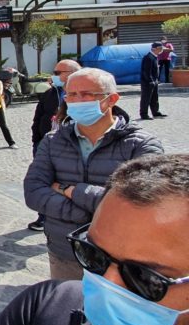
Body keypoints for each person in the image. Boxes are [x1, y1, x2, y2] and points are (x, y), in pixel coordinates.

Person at [0, 154, 189, 325]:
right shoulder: (46, 310)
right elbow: (35, 189)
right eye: (94, 255)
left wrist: (71, 191)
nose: (108, 284)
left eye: (144, 277)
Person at [24, 68, 163, 281]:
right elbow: (33, 191)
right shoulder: (54, 140)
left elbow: (140, 203)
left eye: (87, 94)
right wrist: (84, 215)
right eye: (71, 95)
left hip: (121, 258)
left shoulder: (141, 145)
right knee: (66, 309)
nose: (78, 101)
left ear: (112, 99)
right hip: (66, 252)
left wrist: (70, 190)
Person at [27, 59, 81, 231]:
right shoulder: (49, 94)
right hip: (46, 146)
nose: (54, 76)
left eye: (59, 73)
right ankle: (43, 216)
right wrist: (37, 141)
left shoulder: (83, 97)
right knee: (45, 181)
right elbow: (38, 118)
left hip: (71, 151)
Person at [140, 41, 167, 120]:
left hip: (154, 81)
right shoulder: (148, 57)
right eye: (160, 48)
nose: (161, 50)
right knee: (146, 98)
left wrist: (155, 81)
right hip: (148, 82)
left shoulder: (154, 57)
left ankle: (155, 112)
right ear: (155, 49)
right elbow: (146, 71)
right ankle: (144, 114)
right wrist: (150, 81)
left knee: (154, 98)